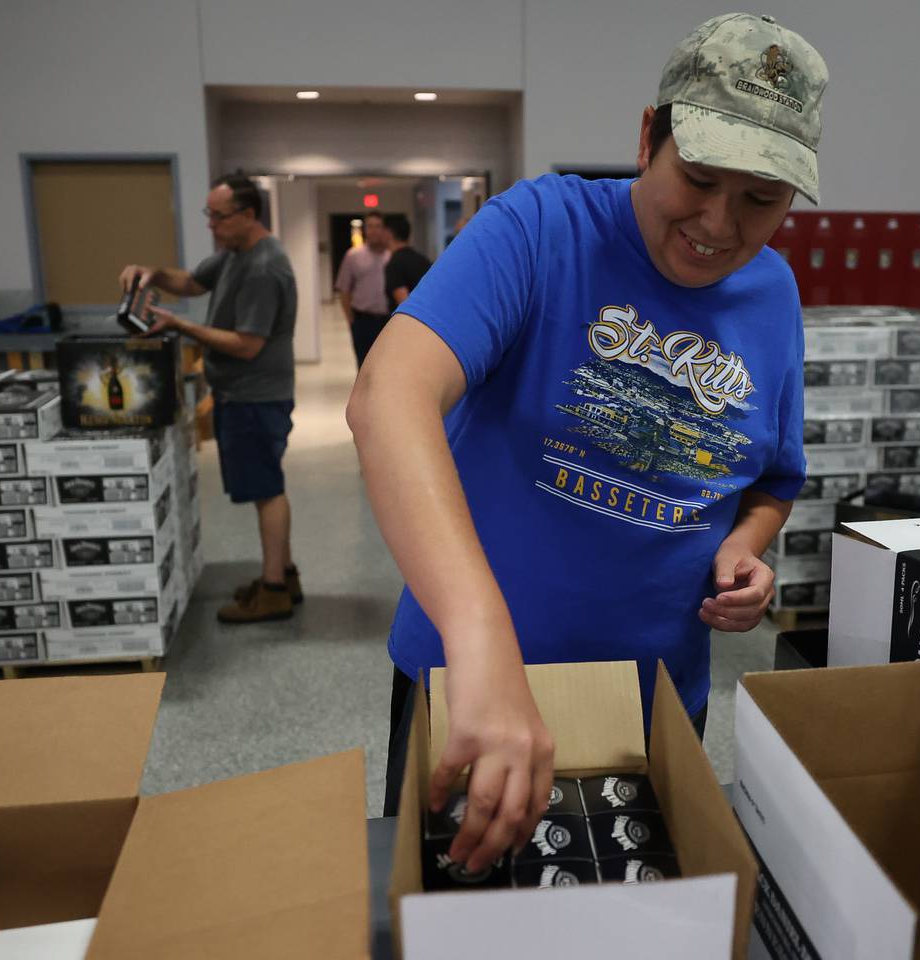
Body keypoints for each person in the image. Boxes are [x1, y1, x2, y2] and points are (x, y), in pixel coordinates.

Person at [347, 13, 826, 871]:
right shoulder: (540, 228)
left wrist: (747, 551)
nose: (719, 223)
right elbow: (389, 395)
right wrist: (481, 639)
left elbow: (771, 478)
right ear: (650, 137)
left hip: (649, 707)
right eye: (701, 178)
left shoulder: (773, 294)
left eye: (761, 200)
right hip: (475, 690)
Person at [120, 173, 301, 624]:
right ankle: (284, 574)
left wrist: (181, 326)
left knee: (267, 491)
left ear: (248, 215)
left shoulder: (264, 267)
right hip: (240, 394)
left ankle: (275, 588)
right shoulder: (235, 255)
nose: (211, 225)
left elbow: (247, 344)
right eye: (209, 215)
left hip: (257, 397)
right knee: (264, 488)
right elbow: (188, 283)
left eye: (219, 217)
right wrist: (152, 274)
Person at [335, 213, 392, 370]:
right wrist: (351, 321)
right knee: (364, 368)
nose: (374, 231)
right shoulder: (353, 256)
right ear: (365, 230)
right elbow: (344, 290)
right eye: (370, 226)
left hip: (388, 321)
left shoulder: (391, 257)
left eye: (378, 226)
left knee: (387, 367)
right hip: (363, 321)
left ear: (384, 230)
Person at [380, 213, 432, 310]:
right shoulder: (423, 260)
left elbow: (405, 305)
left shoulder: (394, 265)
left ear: (388, 233)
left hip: (411, 322)